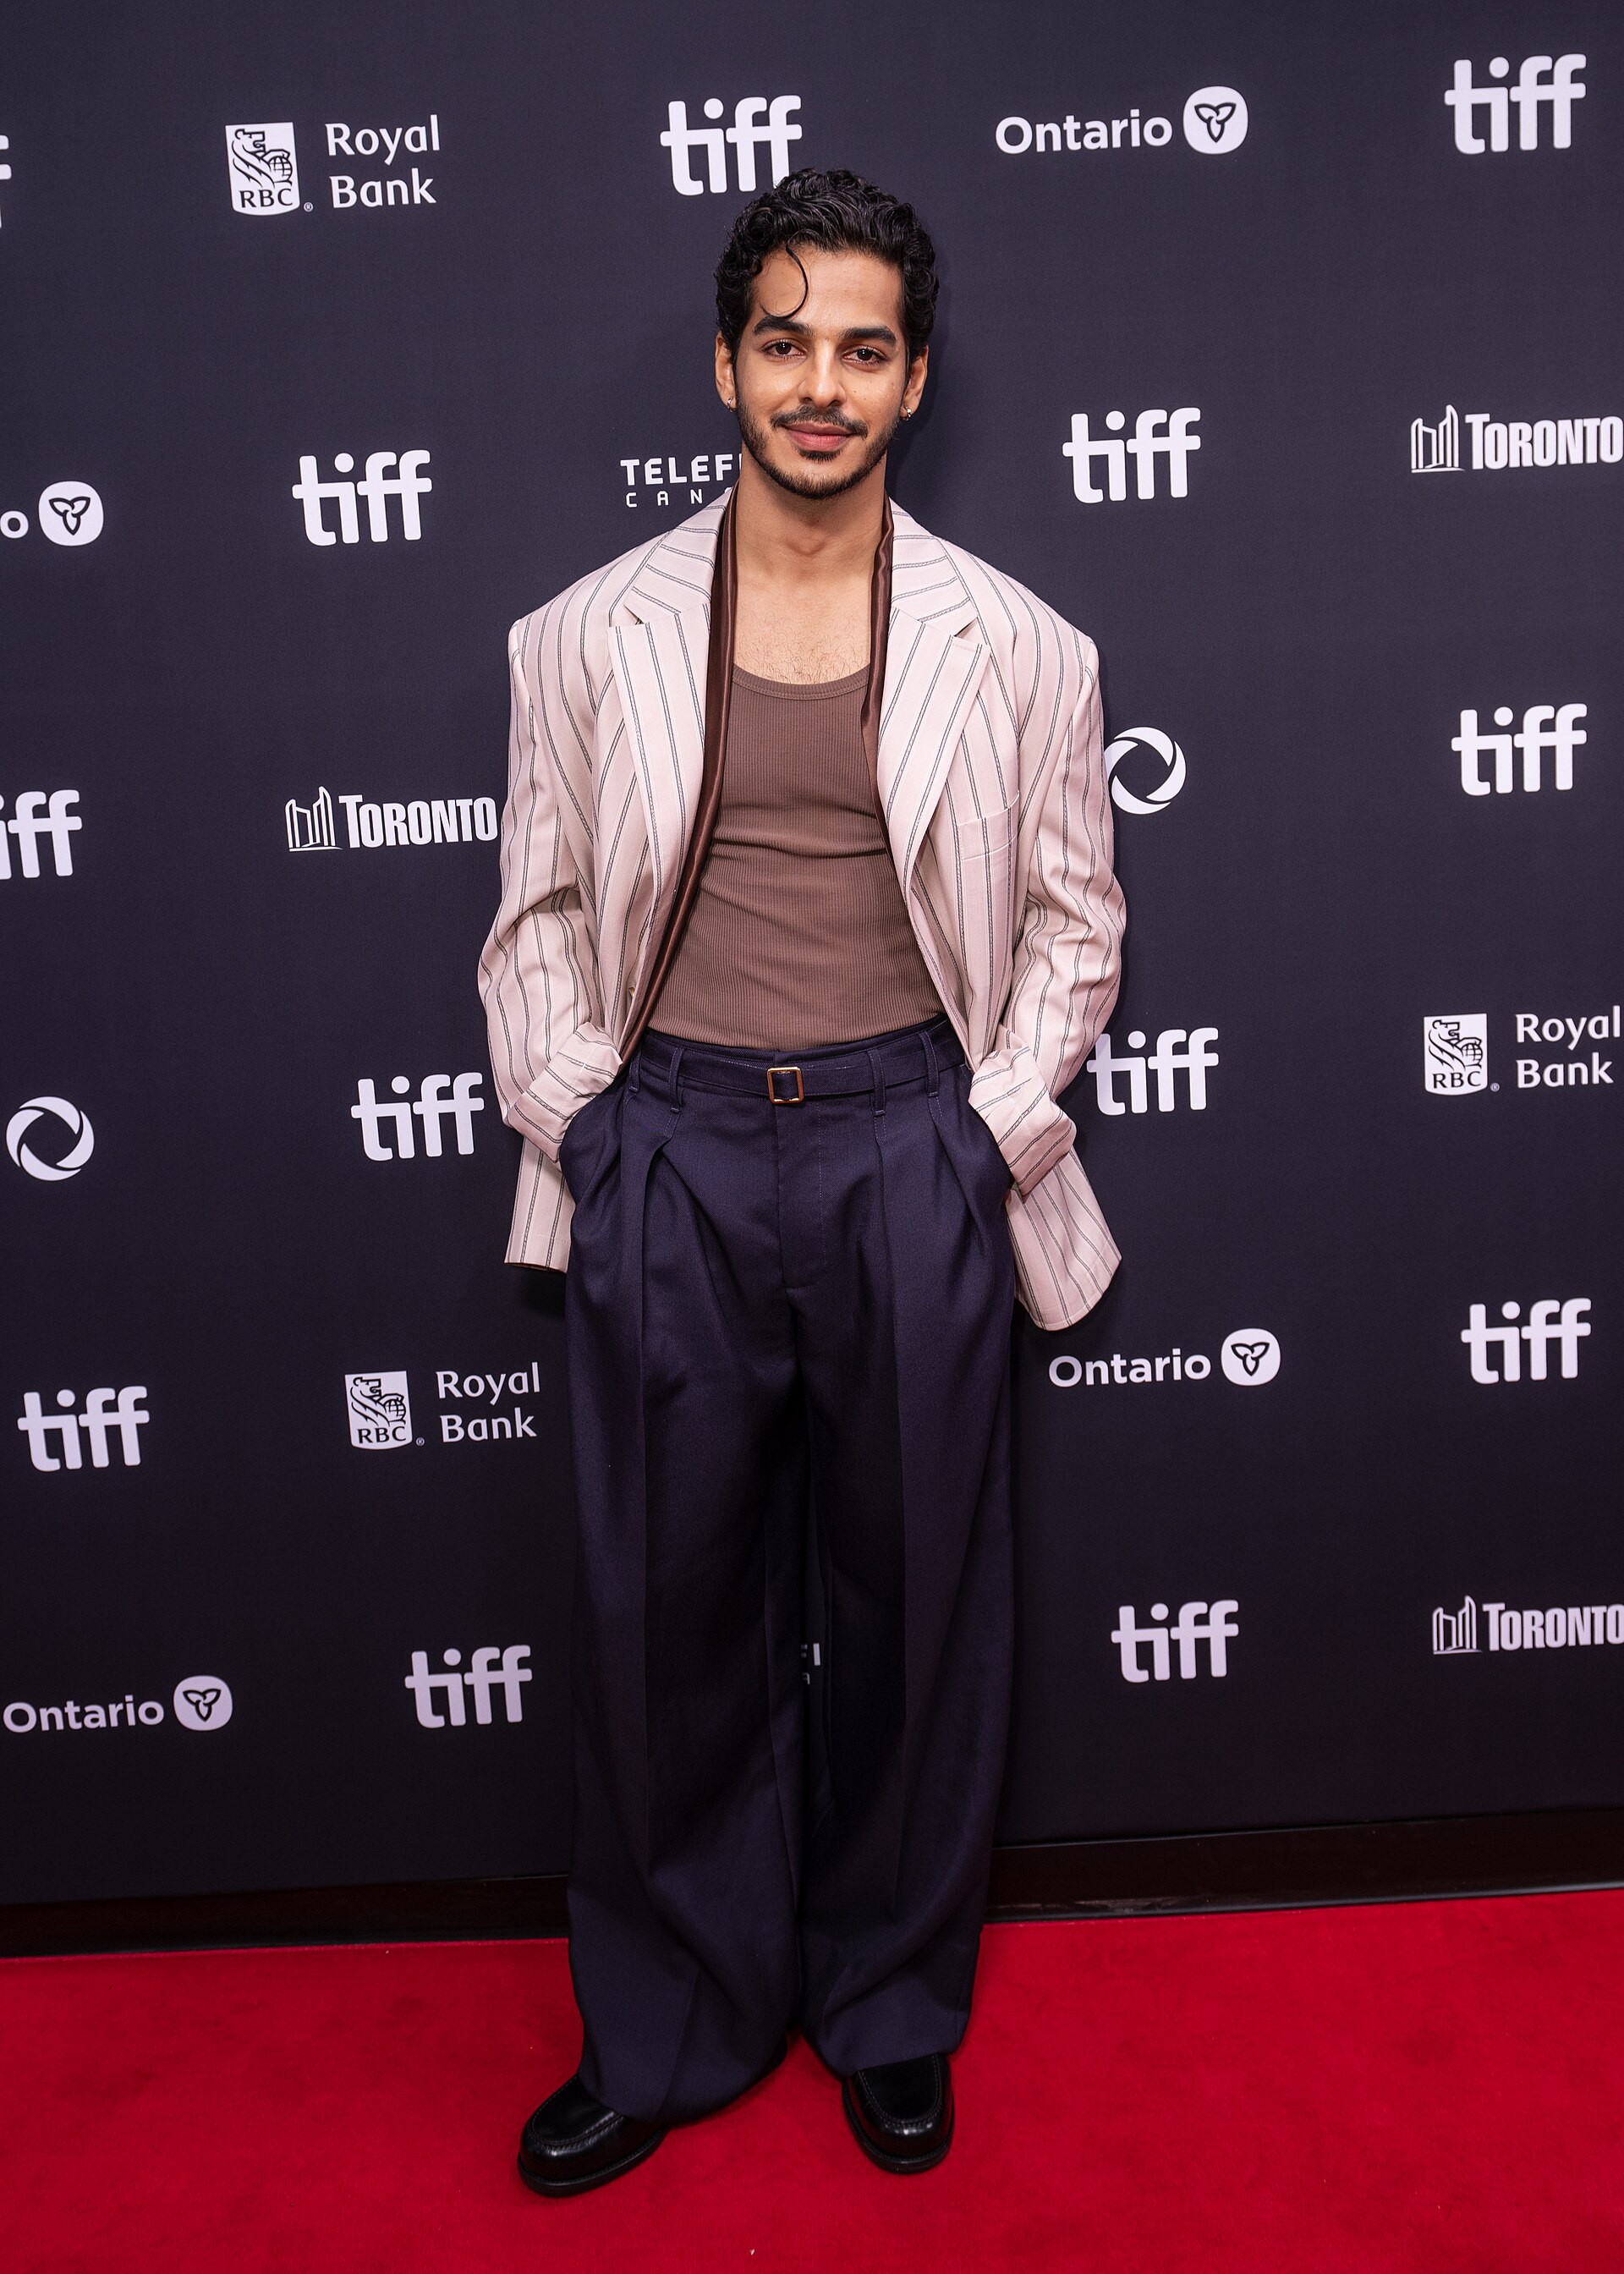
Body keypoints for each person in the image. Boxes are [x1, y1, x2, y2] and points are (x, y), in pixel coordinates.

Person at [480, 168, 1122, 2195]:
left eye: (861, 347)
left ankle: (891, 2007)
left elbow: (1072, 924)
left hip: (907, 1153)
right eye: (785, 342)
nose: (820, 383)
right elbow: (537, 921)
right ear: (730, 363)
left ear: (914, 378)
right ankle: (669, 2022)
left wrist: (984, 1128)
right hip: (664, 1142)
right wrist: (594, 1116)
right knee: (659, 1613)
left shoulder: (1021, 645)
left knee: (919, 1605)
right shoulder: (584, 634)